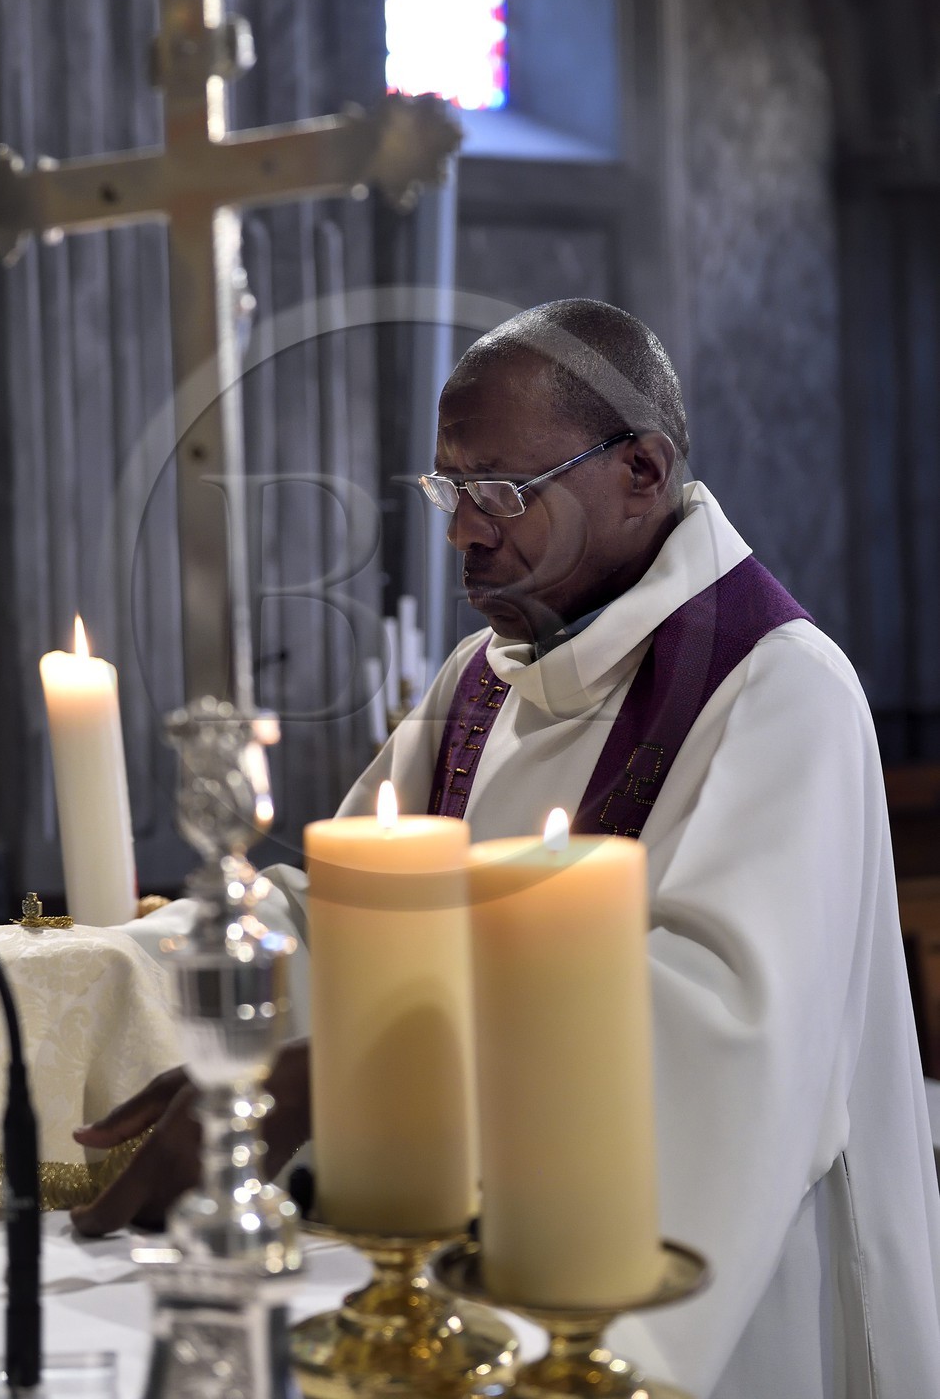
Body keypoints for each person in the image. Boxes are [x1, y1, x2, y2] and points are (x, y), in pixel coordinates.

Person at [72, 300, 940, 1397]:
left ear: (640, 470)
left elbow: (713, 1029)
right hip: (453, 1265)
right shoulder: (481, 680)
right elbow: (351, 909)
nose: (463, 534)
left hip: (737, 1298)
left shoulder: (778, 690)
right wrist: (162, 987)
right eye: (449, 489)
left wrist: (335, 1082)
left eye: (500, 493)